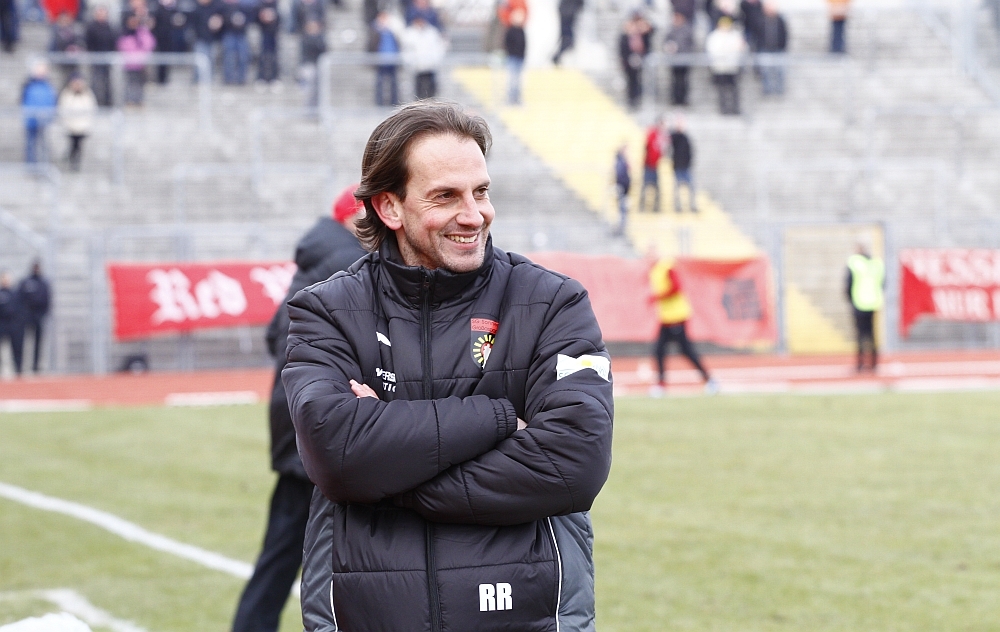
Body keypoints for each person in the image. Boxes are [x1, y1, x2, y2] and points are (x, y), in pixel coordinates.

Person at [282, 101, 614, 631]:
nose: (474, 214)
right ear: (389, 207)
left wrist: (386, 475)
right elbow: (337, 454)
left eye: (480, 191)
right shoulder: (326, 310)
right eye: (446, 196)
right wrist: (498, 418)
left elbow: (573, 463)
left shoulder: (554, 303)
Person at [230, 186, 367, 632]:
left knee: (284, 552)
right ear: (352, 218)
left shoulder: (322, 257)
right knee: (340, 562)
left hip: (299, 422)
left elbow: (277, 334)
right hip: (318, 428)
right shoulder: (347, 263)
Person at [649, 255, 714, 395]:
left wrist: (658, 297)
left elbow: (676, 287)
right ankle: (661, 384)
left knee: (686, 350)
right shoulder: (655, 270)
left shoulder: (667, 267)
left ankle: (709, 380)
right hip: (666, 318)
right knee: (659, 351)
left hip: (676, 317)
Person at [845, 242, 884, 372]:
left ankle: (860, 364)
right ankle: (874, 364)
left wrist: (850, 299)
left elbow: (848, 283)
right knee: (872, 335)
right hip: (873, 303)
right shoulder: (876, 263)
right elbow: (883, 283)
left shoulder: (854, 262)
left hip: (858, 303)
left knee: (860, 335)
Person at [705, 15, 746, 115]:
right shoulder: (714, 36)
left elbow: (741, 48)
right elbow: (712, 51)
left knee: (734, 89)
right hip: (720, 67)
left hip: (732, 67)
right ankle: (723, 109)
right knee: (722, 89)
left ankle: (735, 108)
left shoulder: (735, 35)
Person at [57, 73, 97, 171]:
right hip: (71, 125)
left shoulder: (87, 94)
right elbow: (63, 108)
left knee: (78, 145)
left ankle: (75, 162)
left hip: (82, 125)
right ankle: (71, 159)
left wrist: (87, 122)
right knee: (73, 143)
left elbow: (91, 107)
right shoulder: (67, 94)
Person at [21, 61, 58, 164]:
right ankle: (31, 165)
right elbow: (23, 100)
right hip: (31, 119)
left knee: (43, 144)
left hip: (44, 119)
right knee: (30, 144)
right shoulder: (28, 85)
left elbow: (52, 101)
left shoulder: (49, 86)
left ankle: (44, 165)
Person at [402, 15, 446, 100]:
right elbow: (407, 50)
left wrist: (435, 61)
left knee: (431, 91)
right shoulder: (410, 33)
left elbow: (438, 48)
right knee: (419, 91)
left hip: (430, 66)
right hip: (417, 67)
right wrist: (411, 63)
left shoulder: (431, 32)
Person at [18, 261, 50, 374]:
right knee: (22, 341)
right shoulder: (26, 282)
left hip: (38, 316)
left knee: (38, 342)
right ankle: (21, 365)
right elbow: (20, 298)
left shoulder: (43, 283)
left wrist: (43, 314)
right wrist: (23, 314)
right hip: (26, 316)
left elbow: (47, 300)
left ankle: (35, 365)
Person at [117, 13, 156, 106]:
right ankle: (129, 100)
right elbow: (121, 46)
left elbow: (149, 44)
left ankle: (139, 101)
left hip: (140, 64)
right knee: (129, 83)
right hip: (129, 64)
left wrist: (141, 56)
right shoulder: (124, 33)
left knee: (140, 83)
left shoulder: (142, 32)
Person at [618, 10, 652, 110]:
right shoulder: (625, 36)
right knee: (630, 81)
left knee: (639, 80)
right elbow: (622, 49)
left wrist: (644, 26)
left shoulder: (643, 34)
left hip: (641, 60)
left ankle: (638, 98)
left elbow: (652, 31)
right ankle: (631, 99)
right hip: (628, 62)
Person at [84, 5, 116, 106]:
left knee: (107, 83)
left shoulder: (109, 27)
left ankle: (108, 103)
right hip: (95, 59)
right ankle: (96, 103)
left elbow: (113, 41)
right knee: (96, 82)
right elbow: (88, 42)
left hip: (107, 59)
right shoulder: (91, 27)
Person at [151, 0, 189, 84]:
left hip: (171, 39)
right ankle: (160, 79)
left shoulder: (175, 9)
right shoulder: (158, 10)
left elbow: (180, 21)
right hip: (160, 39)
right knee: (161, 60)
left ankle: (165, 78)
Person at [369, 10, 400, 107]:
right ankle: (380, 103)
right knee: (380, 82)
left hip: (392, 60)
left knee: (393, 83)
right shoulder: (375, 30)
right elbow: (371, 44)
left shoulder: (391, 31)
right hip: (380, 60)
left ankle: (394, 102)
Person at [663, 10, 694, 106]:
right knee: (675, 80)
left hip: (685, 59)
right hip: (674, 59)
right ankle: (675, 99)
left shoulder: (687, 30)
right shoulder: (671, 30)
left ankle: (684, 99)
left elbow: (691, 43)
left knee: (683, 80)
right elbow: (666, 42)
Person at [189, 0, 224, 83]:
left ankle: (209, 81)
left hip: (212, 39)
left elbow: (220, 20)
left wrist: (217, 23)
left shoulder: (216, 7)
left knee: (210, 61)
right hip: (200, 39)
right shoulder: (196, 8)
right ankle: (197, 81)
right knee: (199, 61)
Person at [758, 1, 787, 95]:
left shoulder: (780, 20)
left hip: (778, 49)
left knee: (780, 71)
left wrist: (783, 46)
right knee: (765, 72)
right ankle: (767, 90)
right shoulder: (761, 20)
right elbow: (758, 35)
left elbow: (784, 34)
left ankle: (779, 90)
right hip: (765, 49)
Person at [0, 272, 25, 377]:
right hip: (2, 324)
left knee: (17, 347)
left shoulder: (16, 294)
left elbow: (21, 309)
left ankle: (18, 369)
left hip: (14, 324)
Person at [669, 116, 696, 212]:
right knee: (677, 188)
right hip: (677, 167)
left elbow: (690, 152)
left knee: (691, 187)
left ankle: (692, 205)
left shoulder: (685, 137)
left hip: (685, 167)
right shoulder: (674, 136)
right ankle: (678, 206)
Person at [220, 0, 250, 85]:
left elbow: (250, 18)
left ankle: (241, 79)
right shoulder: (223, 6)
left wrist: (242, 21)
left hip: (241, 34)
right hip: (229, 33)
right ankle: (228, 79)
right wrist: (231, 19)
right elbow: (221, 20)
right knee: (228, 57)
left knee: (243, 57)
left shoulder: (243, 6)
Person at [298, 18, 325, 107]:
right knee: (308, 89)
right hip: (308, 66)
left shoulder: (320, 38)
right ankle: (308, 107)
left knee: (317, 89)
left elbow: (323, 49)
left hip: (317, 66)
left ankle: (315, 107)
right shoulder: (305, 38)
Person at [639, 116, 664, 212]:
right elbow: (647, 146)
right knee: (645, 187)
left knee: (656, 188)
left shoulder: (661, 136)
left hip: (655, 166)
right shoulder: (652, 134)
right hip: (648, 165)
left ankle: (656, 207)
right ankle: (642, 206)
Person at [255, 0, 280, 87]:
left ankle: (274, 78)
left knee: (274, 57)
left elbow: (281, 19)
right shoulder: (260, 4)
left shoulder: (276, 4)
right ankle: (261, 77)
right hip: (264, 33)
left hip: (274, 34)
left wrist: (273, 17)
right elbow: (255, 19)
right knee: (263, 56)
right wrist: (262, 16)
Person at [503, 7, 525, 105]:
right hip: (512, 58)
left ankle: (517, 99)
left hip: (520, 58)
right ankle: (510, 99)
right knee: (512, 79)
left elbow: (523, 44)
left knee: (518, 80)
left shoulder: (521, 31)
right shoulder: (510, 31)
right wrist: (511, 53)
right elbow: (507, 44)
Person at [551, 0, 582, 65]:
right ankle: (558, 56)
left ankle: (558, 56)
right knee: (566, 35)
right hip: (569, 12)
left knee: (565, 35)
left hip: (567, 11)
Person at [614, 142, 630, 235]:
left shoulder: (622, 161)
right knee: (622, 209)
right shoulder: (620, 162)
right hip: (622, 188)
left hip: (624, 188)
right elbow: (620, 176)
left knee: (623, 208)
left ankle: (622, 226)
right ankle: (621, 227)